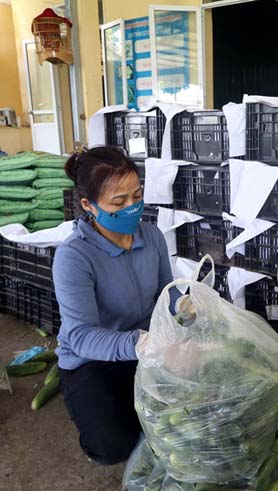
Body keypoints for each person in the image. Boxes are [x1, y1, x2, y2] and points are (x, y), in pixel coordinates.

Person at [54, 146, 173, 465]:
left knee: (180, 418)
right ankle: (86, 413)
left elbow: (164, 291)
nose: (132, 208)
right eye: (119, 202)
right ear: (88, 206)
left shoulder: (152, 235)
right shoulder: (74, 257)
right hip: (92, 360)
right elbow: (80, 336)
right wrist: (140, 343)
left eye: (137, 196)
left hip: (145, 348)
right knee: (115, 445)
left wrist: (181, 308)